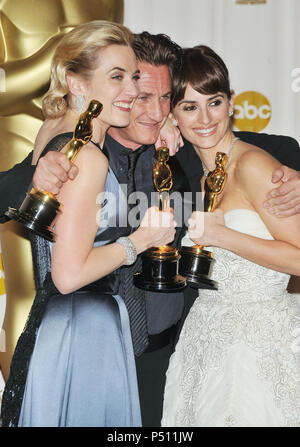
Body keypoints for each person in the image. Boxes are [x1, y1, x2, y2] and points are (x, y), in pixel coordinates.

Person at [2, 31, 300, 428]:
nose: (155, 112)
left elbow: (247, 156)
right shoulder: (81, 150)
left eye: (166, 100)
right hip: (91, 353)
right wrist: (36, 169)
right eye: (143, 96)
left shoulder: (189, 157)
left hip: (173, 355)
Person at [0, 21, 180, 428]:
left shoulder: (58, 132)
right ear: (75, 83)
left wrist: (164, 122)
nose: (132, 91)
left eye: (133, 76)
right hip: (85, 325)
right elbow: (68, 275)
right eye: (116, 77)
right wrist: (141, 240)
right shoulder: (90, 158)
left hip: (64, 322)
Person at [161, 45, 300, 427]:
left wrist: (225, 237)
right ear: (173, 114)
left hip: (259, 348)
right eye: (189, 107)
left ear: (231, 103)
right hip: (205, 341)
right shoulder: (202, 175)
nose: (205, 118)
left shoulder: (254, 164)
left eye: (214, 102)